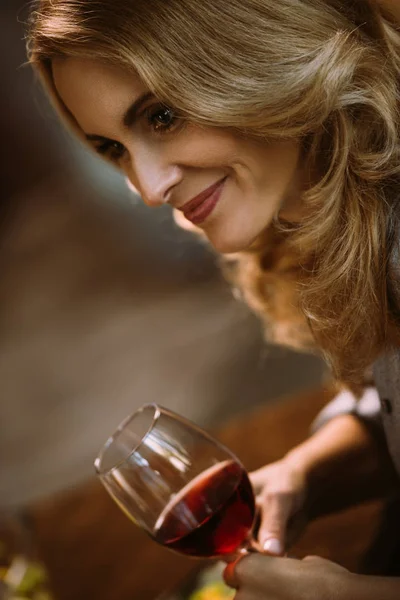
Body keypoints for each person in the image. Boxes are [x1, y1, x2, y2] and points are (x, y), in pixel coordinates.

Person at [25, 0, 400, 598]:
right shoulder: (340, 216)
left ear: (259, 58)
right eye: (113, 148)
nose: (147, 188)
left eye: (163, 116)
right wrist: (306, 475)